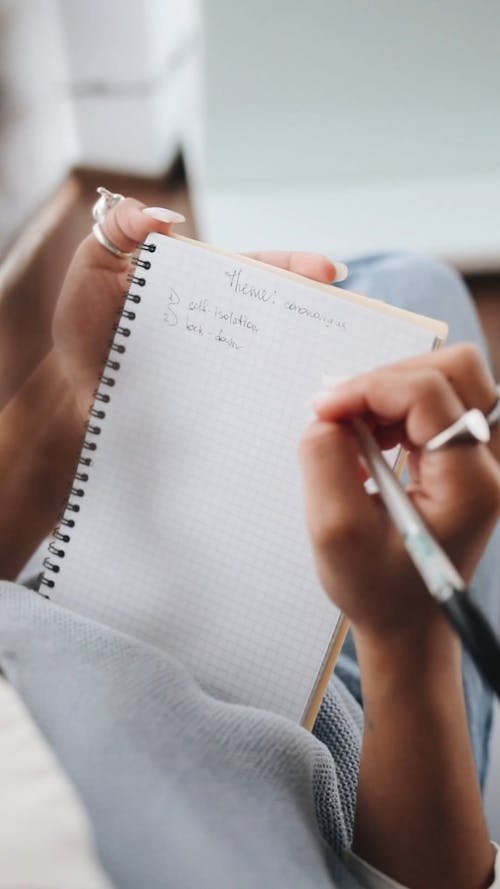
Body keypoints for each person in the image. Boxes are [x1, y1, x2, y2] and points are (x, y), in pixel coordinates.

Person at [0, 194, 498, 889]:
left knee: (400, 287)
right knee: (414, 285)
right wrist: (408, 638)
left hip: (108, 577)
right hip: (359, 762)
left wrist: (79, 393)